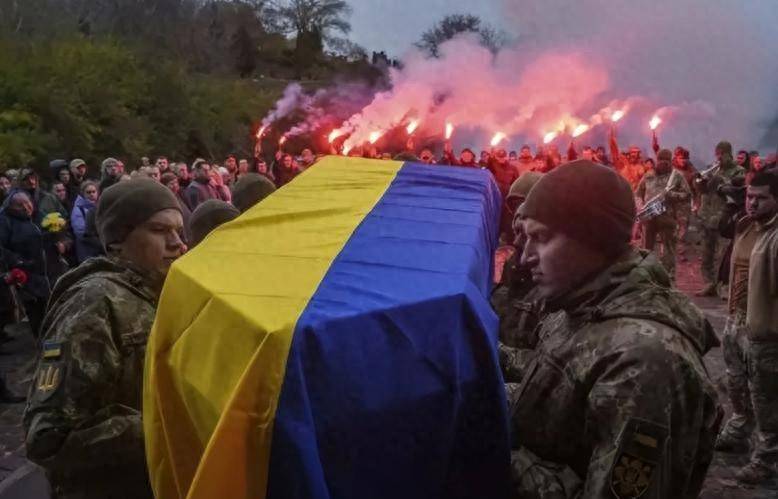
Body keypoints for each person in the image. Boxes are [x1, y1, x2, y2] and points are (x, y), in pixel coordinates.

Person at [506, 160, 721, 498]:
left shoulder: (646, 365)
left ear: (593, 239)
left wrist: (502, 455)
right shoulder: (579, 307)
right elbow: (556, 392)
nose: (525, 257)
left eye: (541, 238)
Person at [23, 178, 186, 499]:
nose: (177, 243)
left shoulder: (159, 289)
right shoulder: (93, 303)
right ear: (117, 241)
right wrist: (170, 427)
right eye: (159, 230)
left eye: (179, 231)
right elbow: (48, 437)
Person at [719, 171, 778, 485]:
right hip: (736, 320)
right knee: (736, 383)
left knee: (765, 397)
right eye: (750, 196)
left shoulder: (775, 236)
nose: (752, 203)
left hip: (765, 330)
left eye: (761, 198)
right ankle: (739, 429)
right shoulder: (745, 225)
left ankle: (767, 459)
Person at [0, 191, 68, 337]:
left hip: (52, 273)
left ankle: (58, 345)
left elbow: (61, 234)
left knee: (58, 315)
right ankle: (43, 344)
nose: (26, 207)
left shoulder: (40, 215)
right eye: (20, 205)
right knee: (39, 319)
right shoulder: (6, 221)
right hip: (29, 278)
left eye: (27, 203)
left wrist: (63, 242)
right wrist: (17, 261)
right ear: (11, 207)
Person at [696, 141, 746, 296]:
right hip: (706, 216)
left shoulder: (739, 171)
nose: (719, 157)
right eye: (717, 154)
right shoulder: (712, 169)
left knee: (722, 255)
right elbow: (701, 190)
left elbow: (738, 192)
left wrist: (721, 182)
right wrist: (701, 182)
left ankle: (722, 286)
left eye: (722, 154)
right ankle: (709, 283)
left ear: (729, 154)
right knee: (706, 254)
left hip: (723, 219)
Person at [635, 149, 691, 279]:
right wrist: (640, 206)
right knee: (646, 247)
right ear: (657, 160)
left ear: (670, 161)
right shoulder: (648, 175)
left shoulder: (676, 176)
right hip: (649, 216)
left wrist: (672, 195)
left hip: (667, 216)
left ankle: (667, 275)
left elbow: (687, 194)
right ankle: (647, 274)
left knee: (668, 248)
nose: (663, 163)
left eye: (666, 160)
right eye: (661, 160)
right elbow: (638, 193)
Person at [70, 181, 101, 263]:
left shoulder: (100, 206)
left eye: (93, 192)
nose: (91, 194)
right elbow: (81, 233)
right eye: (88, 192)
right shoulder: (78, 209)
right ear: (83, 194)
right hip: (87, 252)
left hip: (101, 252)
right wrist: (100, 243)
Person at [161, 173, 192, 243]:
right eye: (171, 184)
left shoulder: (179, 195)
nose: (175, 185)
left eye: (176, 183)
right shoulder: (166, 200)